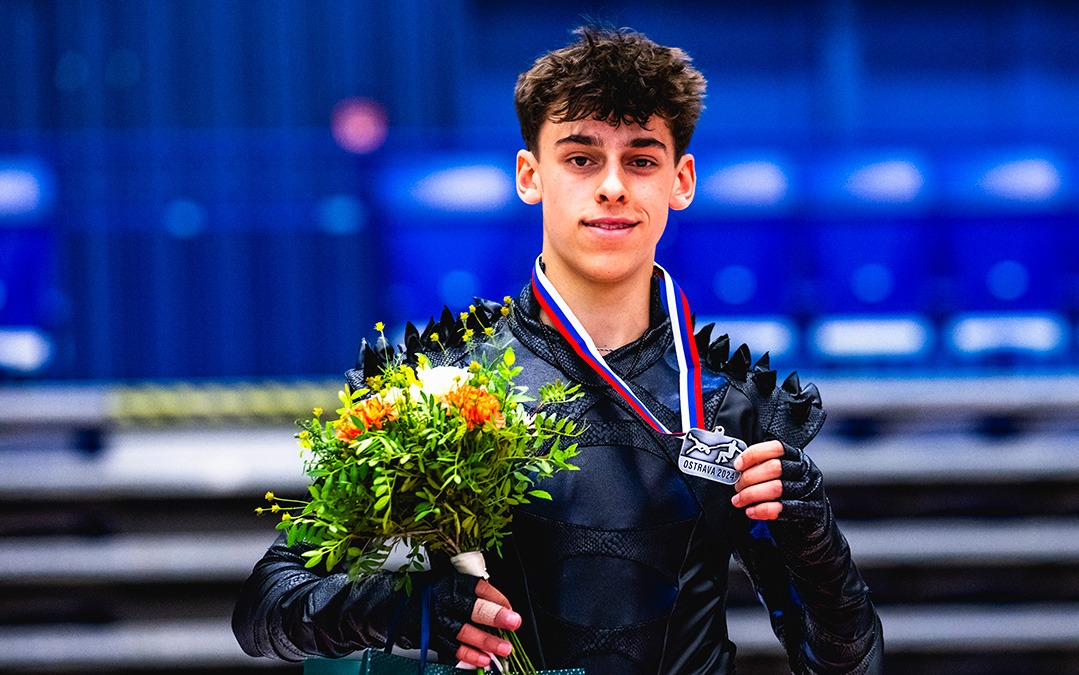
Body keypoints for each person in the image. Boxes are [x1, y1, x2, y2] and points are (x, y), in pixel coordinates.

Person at [233, 25, 883, 674]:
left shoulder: (733, 406)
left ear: (680, 181)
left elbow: (851, 665)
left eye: (641, 159)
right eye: (581, 158)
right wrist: (406, 607)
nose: (612, 186)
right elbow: (267, 608)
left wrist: (817, 546)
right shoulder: (436, 383)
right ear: (530, 175)